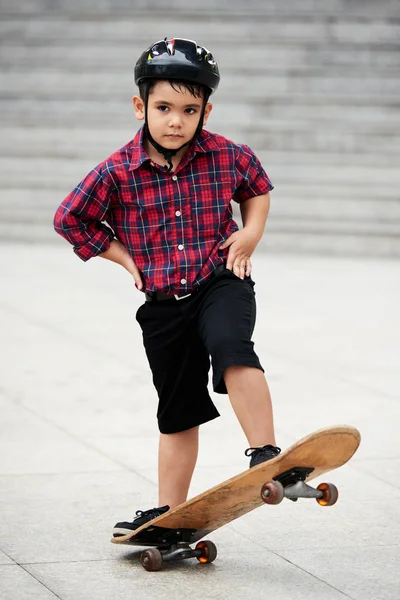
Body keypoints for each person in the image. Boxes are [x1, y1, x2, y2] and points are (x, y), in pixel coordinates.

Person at [53, 37, 281, 537]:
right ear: (141, 106)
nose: (175, 120)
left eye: (188, 109)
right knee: (176, 409)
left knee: (231, 346)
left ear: (205, 111)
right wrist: (121, 256)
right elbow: (70, 219)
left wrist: (251, 232)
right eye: (163, 108)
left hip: (221, 279)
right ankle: (169, 511)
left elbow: (257, 189)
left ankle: (266, 451)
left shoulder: (225, 154)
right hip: (162, 305)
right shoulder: (116, 171)